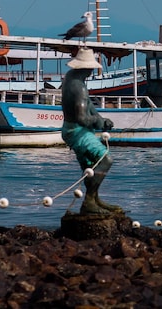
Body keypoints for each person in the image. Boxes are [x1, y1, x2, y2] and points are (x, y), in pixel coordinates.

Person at [60, 48, 122, 215]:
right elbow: (82, 118)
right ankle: (89, 200)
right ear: (87, 68)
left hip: (71, 129)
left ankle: (95, 199)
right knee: (105, 159)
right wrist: (97, 122)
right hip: (77, 131)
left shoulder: (70, 77)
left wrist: (101, 120)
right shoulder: (78, 87)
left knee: (90, 166)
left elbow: (89, 107)